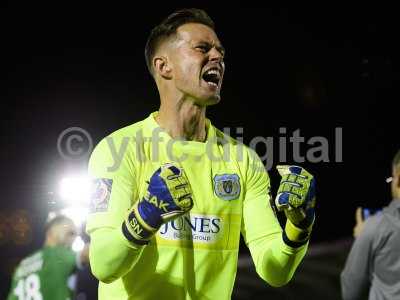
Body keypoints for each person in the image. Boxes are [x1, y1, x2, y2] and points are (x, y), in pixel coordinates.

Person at [86, 8, 316, 300]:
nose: (218, 57)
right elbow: (104, 265)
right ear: (164, 66)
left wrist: (298, 227)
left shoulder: (242, 159)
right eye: (202, 48)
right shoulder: (118, 150)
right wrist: (145, 216)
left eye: (221, 51)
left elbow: (275, 271)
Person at [341, 149, 400, 300]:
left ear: (398, 178)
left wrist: (363, 236)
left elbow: (351, 291)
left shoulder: (376, 227)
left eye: (391, 178)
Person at [7, 215, 89, 300]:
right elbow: (87, 253)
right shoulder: (58, 254)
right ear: (51, 232)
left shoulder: (22, 264)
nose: (74, 239)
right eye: (70, 233)